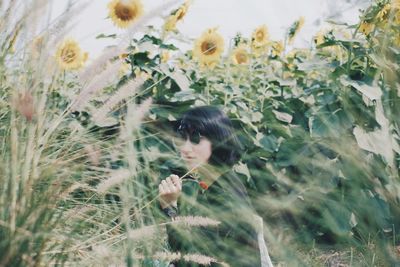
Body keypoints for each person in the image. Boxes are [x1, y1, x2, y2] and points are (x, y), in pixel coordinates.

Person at [158, 106, 261, 267]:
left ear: (218, 140)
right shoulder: (222, 178)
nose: (185, 148)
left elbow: (192, 261)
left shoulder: (224, 197)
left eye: (195, 138)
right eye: (181, 137)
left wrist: (170, 209)